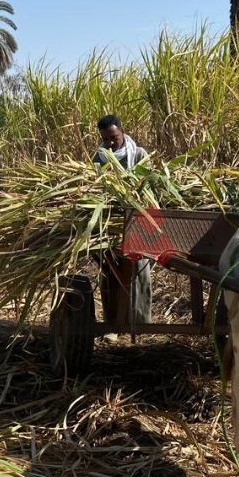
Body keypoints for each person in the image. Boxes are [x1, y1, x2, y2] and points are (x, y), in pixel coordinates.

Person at [92, 114, 151, 335]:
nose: (109, 143)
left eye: (113, 138)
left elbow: (150, 188)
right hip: (110, 225)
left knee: (140, 270)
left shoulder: (139, 155)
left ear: (122, 132)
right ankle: (113, 326)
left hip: (138, 224)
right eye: (105, 139)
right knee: (109, 272)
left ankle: (140, 325)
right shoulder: (99, 159)